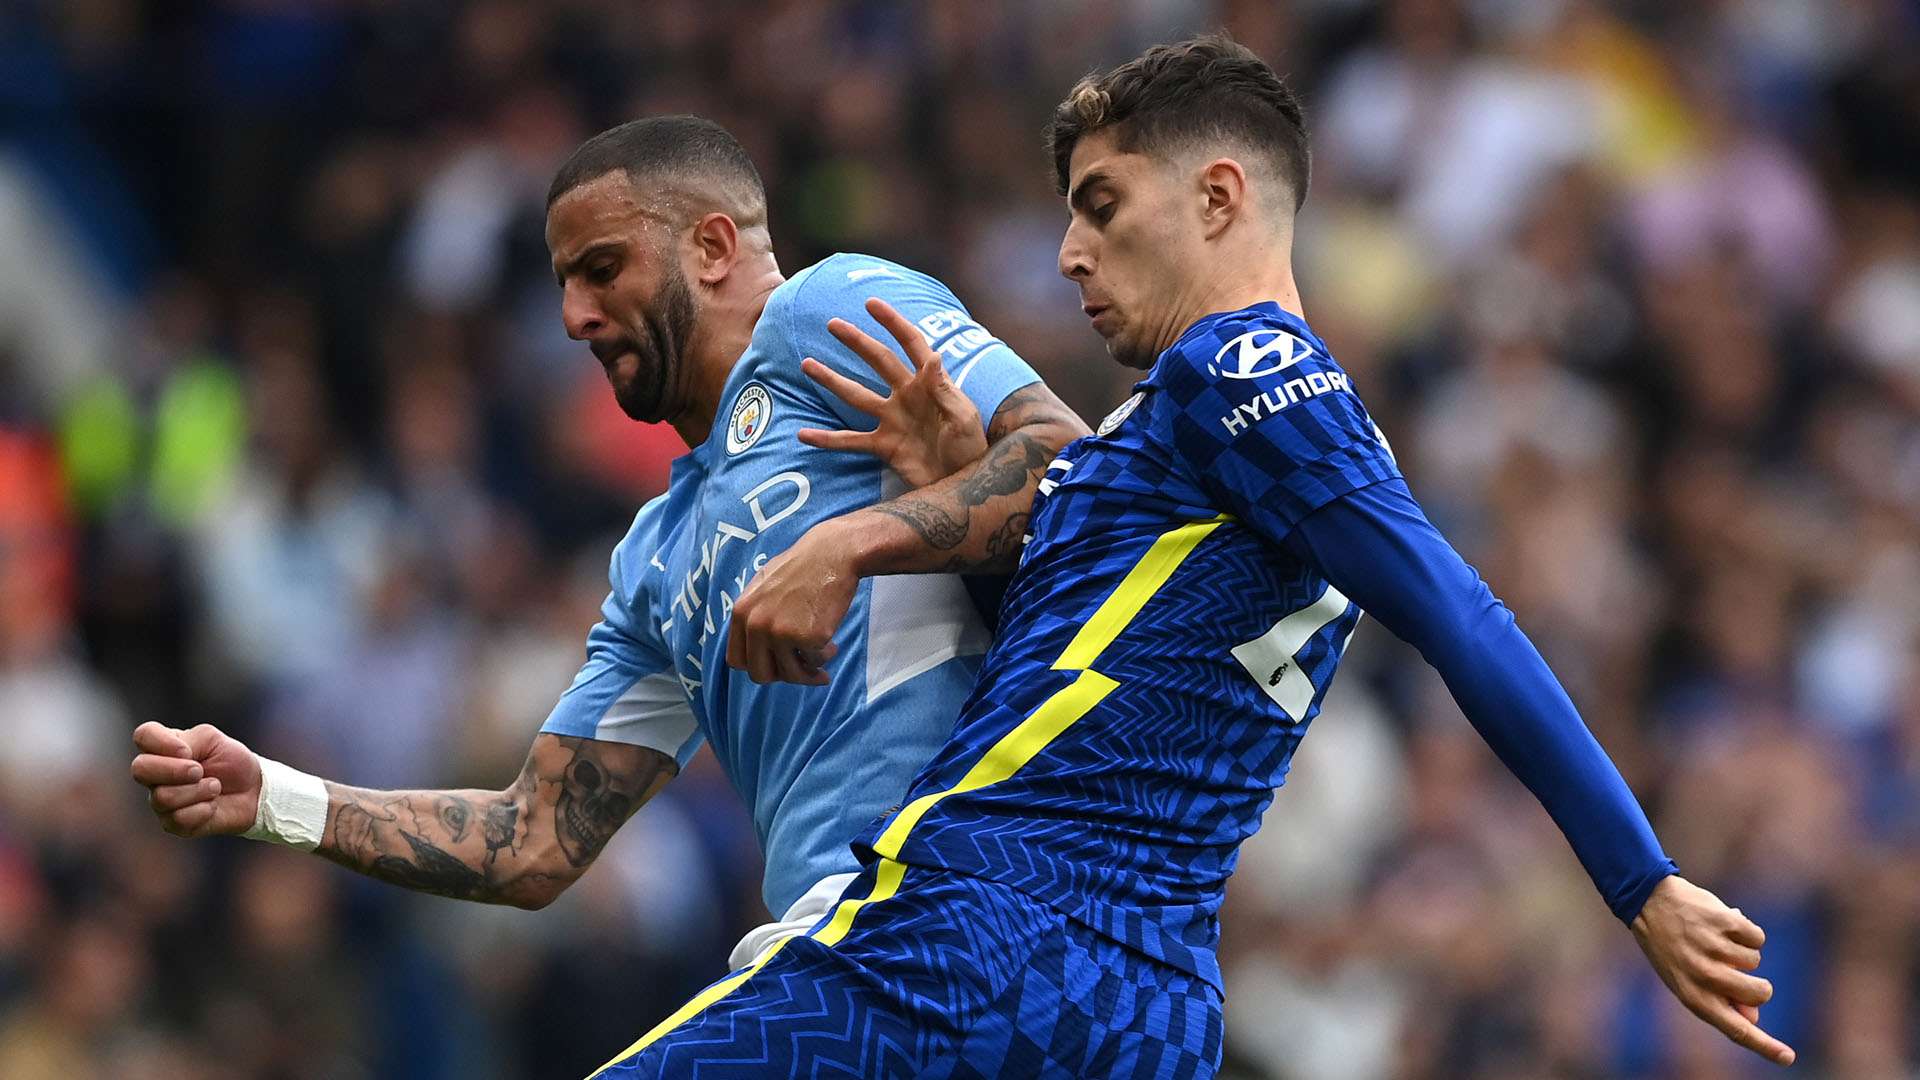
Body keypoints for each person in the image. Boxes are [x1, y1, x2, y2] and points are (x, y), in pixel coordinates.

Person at [592, 37, 1796, 1078]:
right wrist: (962, 492)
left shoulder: (1240, 370)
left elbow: (1458, 610)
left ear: (1219, 196)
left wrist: (1640, 880)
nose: (1069, 251)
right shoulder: (1198, 443)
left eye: (1101, 204)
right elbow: (1084, 667)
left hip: (980, 933)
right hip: (1152, 1014)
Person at [126, 116, 1087, 973]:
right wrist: (277, 801)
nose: (574, 317)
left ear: (713, 246)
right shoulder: (655, 560)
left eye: (602, 269)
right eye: (563, 284)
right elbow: (532, 841)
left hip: (962, 891)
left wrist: (845, 547)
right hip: (842, 945)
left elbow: (1065, 457)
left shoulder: (823, 310)